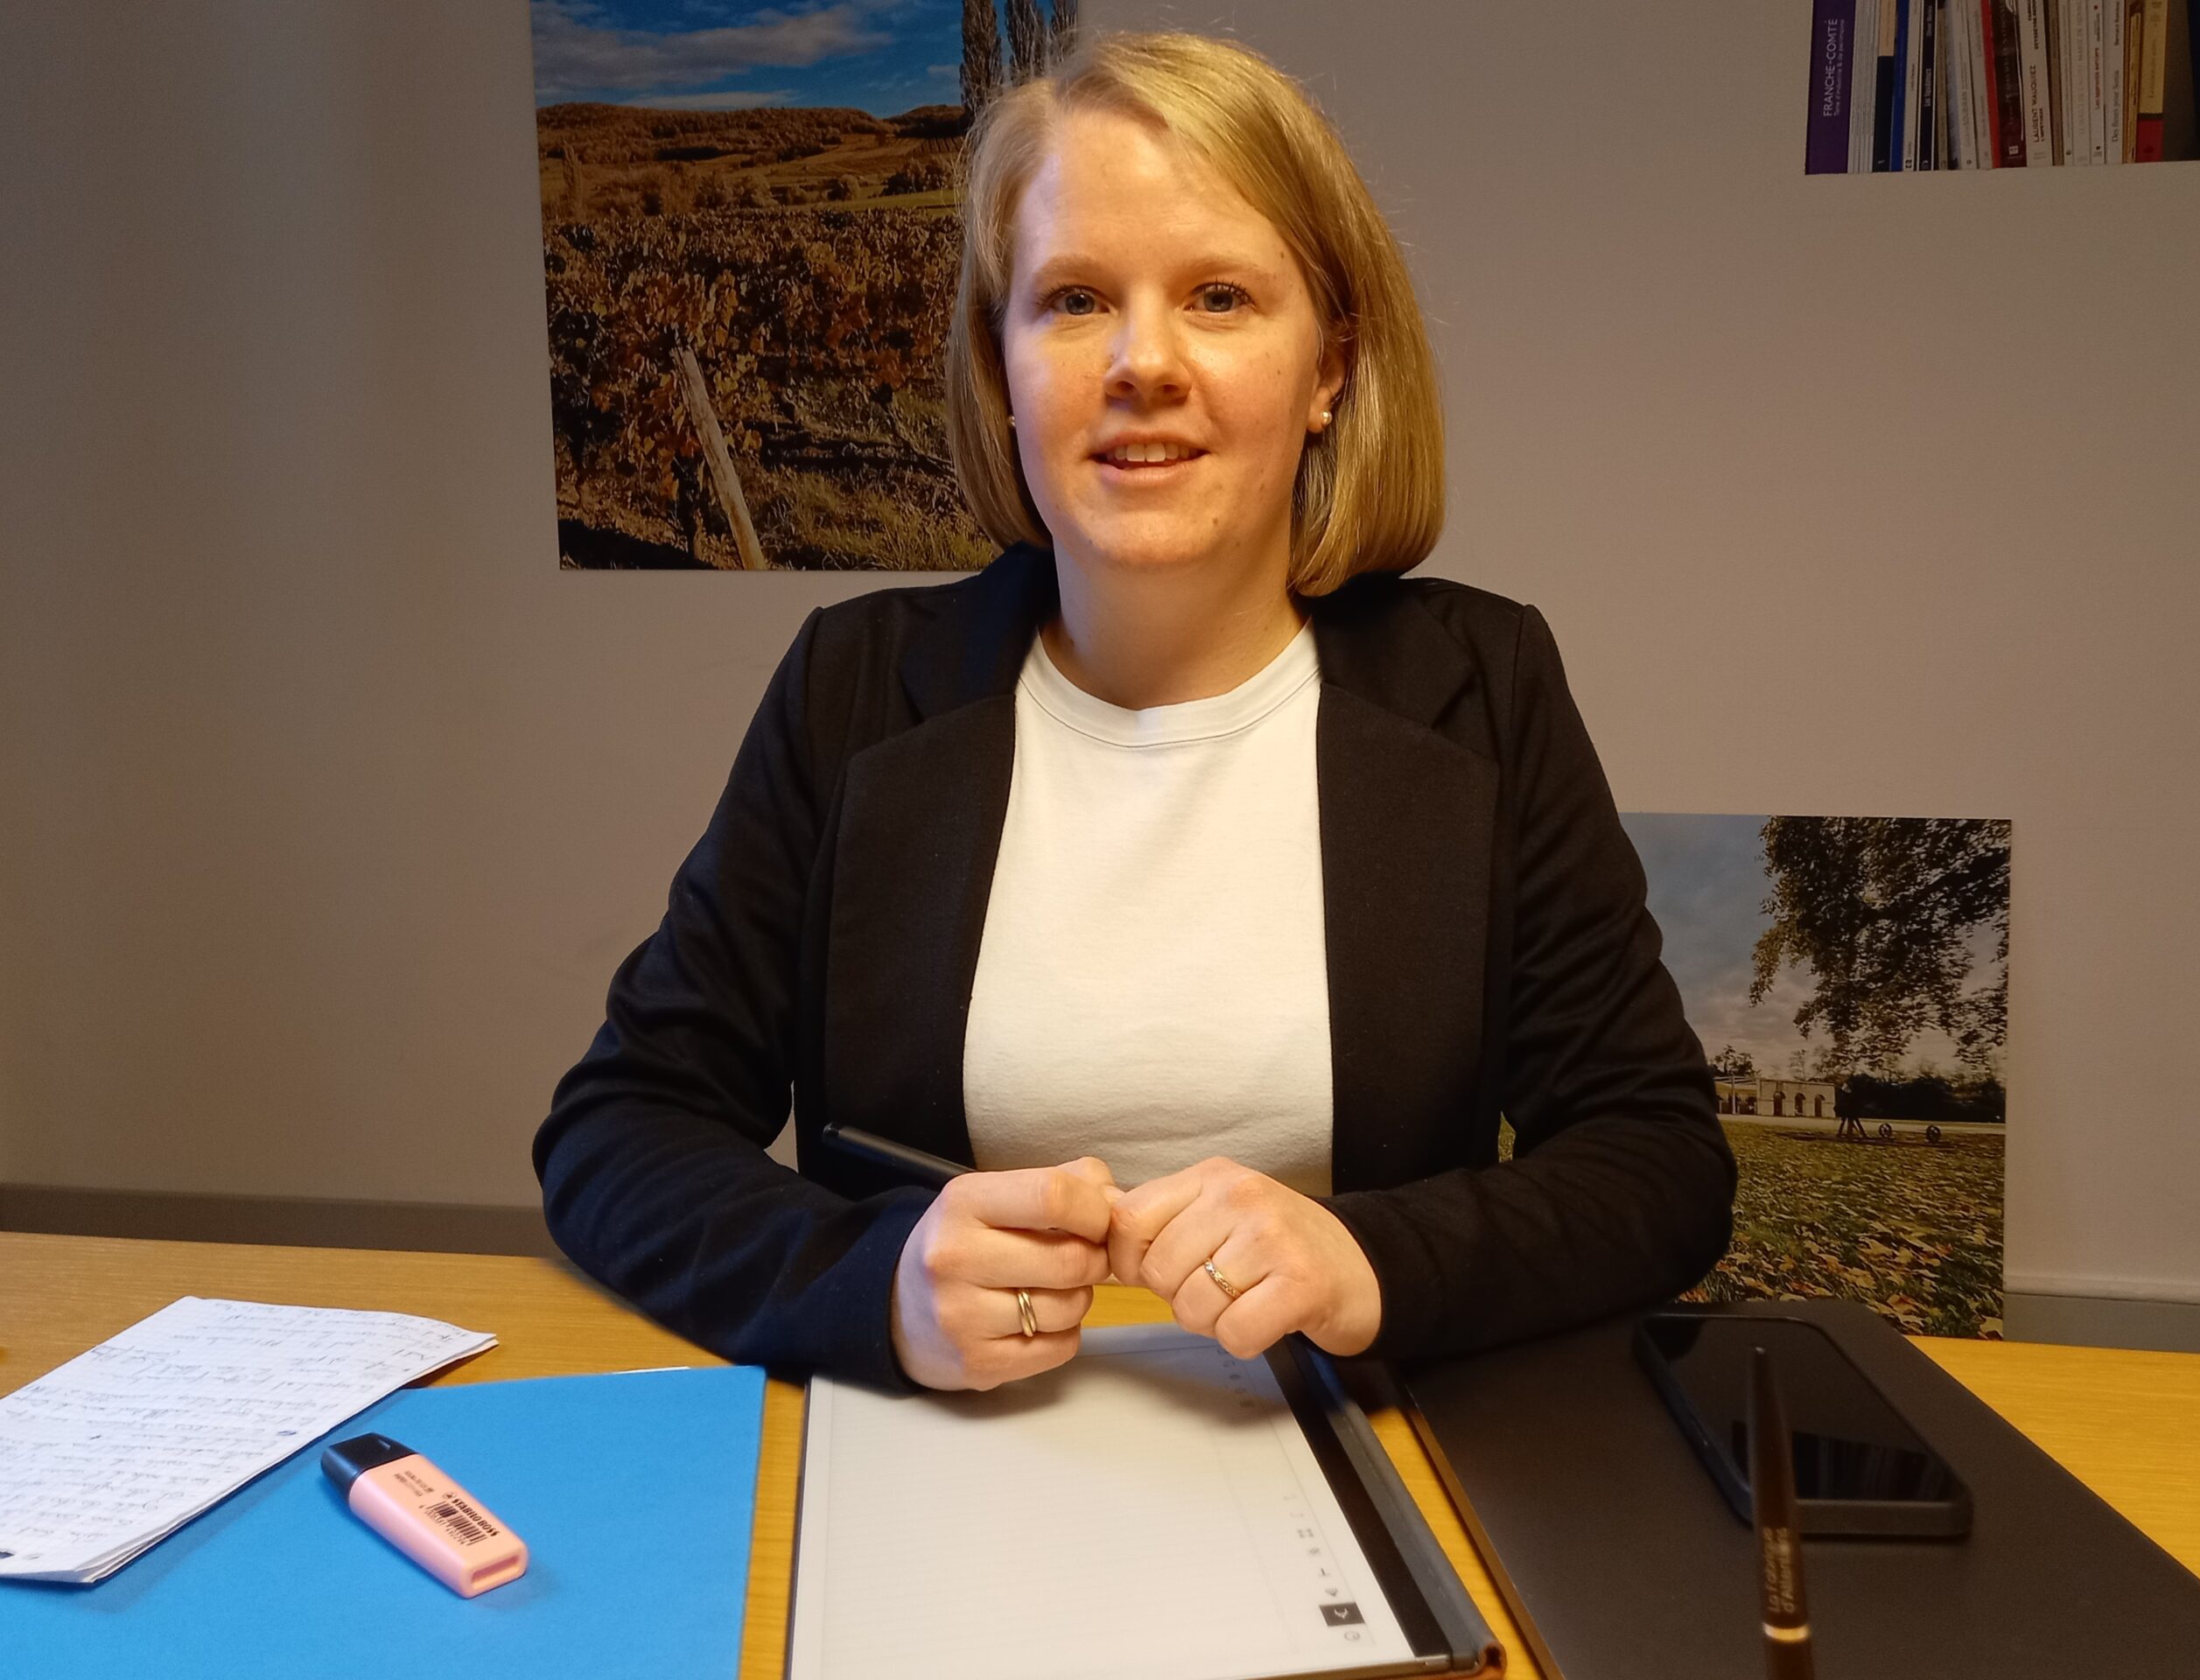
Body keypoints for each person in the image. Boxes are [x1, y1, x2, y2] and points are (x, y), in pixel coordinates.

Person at [533, 30, 1734, 1394]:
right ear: (1000, 367)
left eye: (1219, 297)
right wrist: (874, 1283)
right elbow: (619, 1131)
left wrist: (1373, 1261)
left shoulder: (1482, 686)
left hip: (1341, 1452)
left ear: (1329, 368)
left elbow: (1658, 1161)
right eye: (1074, 300)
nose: (1142, 362)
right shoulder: (853, 689)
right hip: (940, 1457)